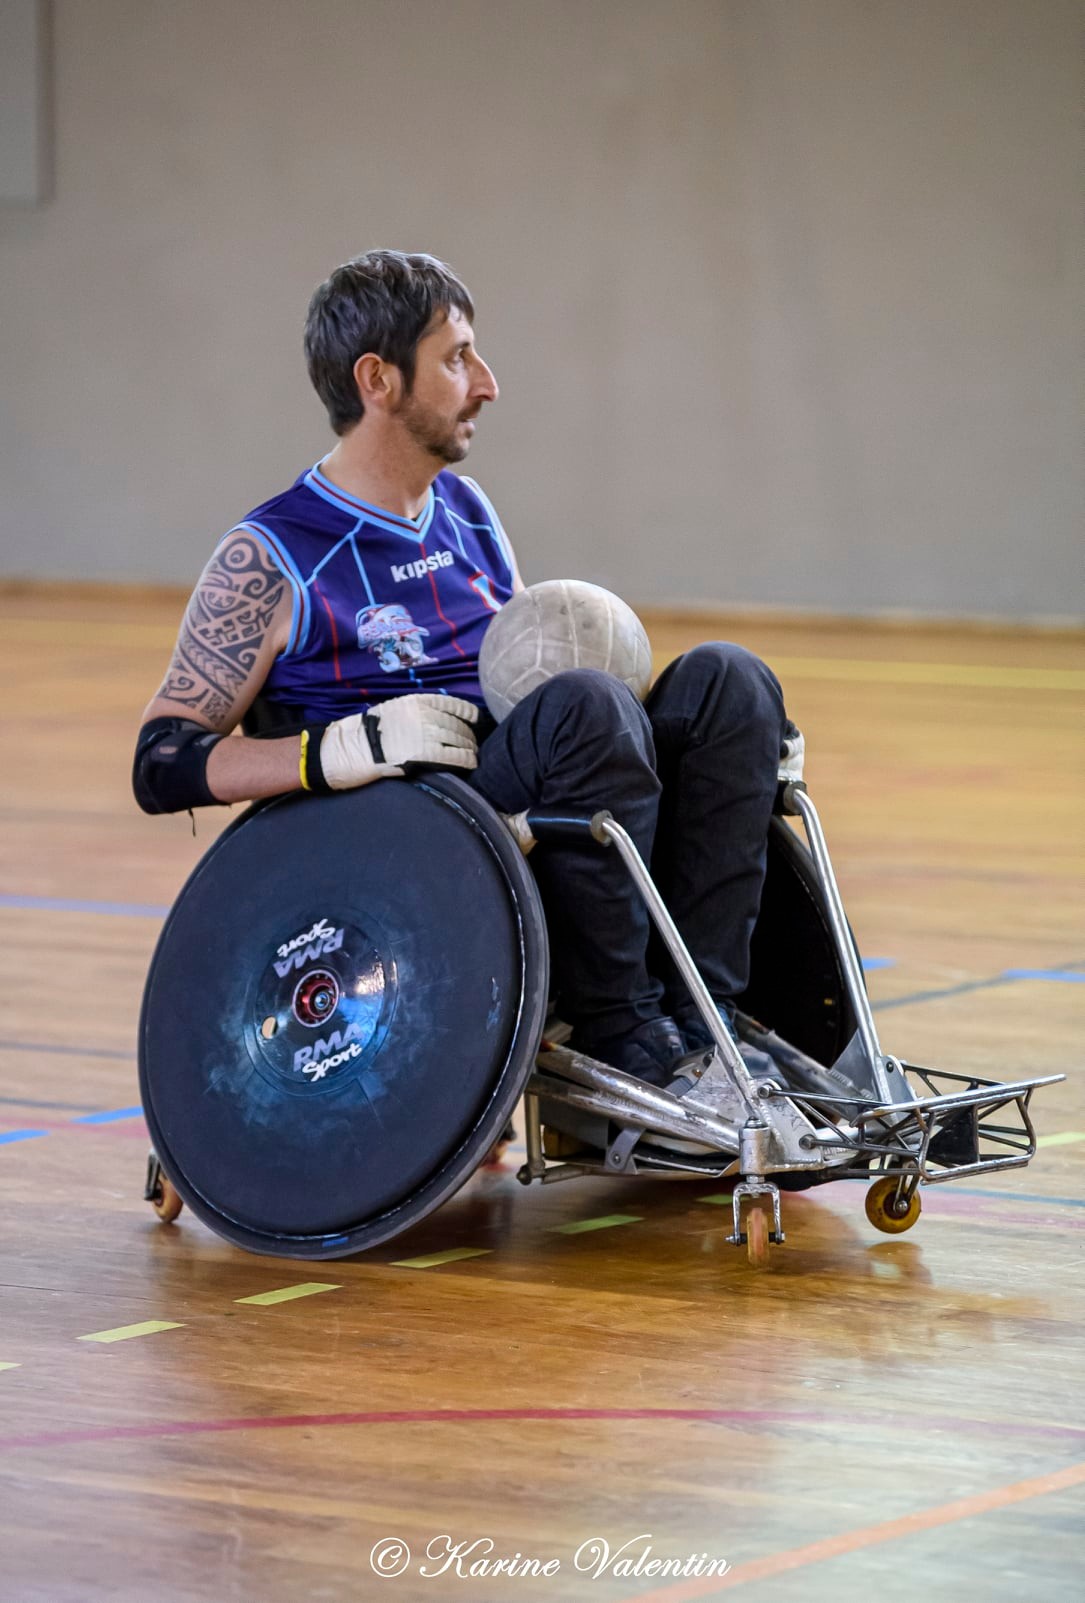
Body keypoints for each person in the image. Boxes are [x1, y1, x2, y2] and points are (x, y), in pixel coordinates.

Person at [134, 249, 800, 1087]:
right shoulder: (270, 557)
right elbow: (159, 763)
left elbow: (539, 700)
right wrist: (333, 750)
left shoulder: (467, 512)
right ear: (378, 380)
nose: (486, 382)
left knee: (729, 686)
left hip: (510, 796)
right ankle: (616, 1028)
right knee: (588, 708)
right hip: (405, 833)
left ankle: (708, 1014)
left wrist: (737, 753)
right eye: (456, 358)